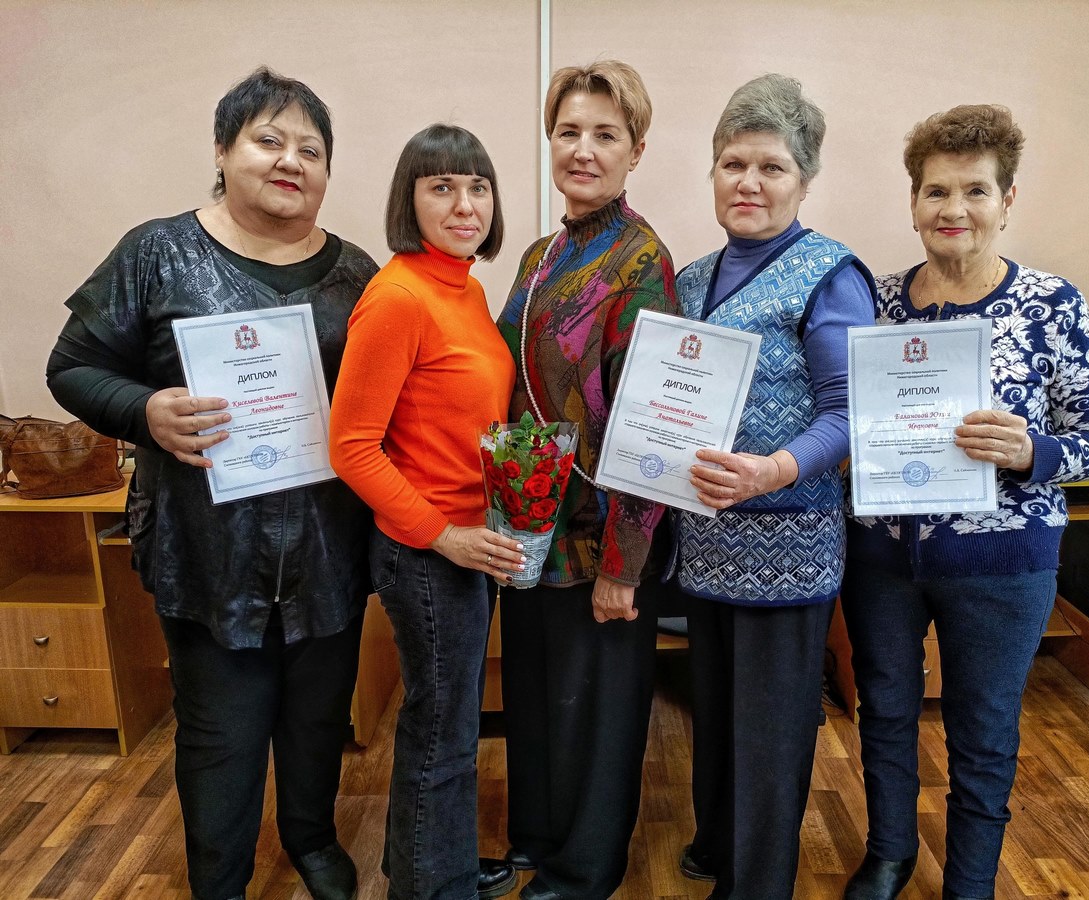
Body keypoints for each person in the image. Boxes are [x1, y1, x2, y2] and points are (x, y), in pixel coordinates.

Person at [45, 68, 377, 900]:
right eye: (269, 140)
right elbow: (72, 366)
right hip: (206, 552)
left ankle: (311, 838)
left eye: (311, 149)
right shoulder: (157, 252)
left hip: (329, 549)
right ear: (224, 150)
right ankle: (219, 879)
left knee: (316, 718)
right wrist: (144, 409)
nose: (290, 160)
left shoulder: (356, 273)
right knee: (219, 734)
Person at [841, 104, 1089, 900]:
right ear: (913, 203)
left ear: (1007, 201)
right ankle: (890, 854)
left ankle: (970, 883)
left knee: (984, 729)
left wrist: (1035, 453)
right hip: (883, 557)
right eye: (936, 191)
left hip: (1003, 562)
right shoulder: (876, 305)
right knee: (885, 710)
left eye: (974, 191)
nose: (953, 209)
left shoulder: (1051, 304)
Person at [670, 74, 875, 899]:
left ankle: (755, 883)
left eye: (771, 167)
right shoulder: (691, 279)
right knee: (716, 712)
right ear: (713, 172)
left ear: (804, 179)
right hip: (708, 544)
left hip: (787, 548)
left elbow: (850, 413)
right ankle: (718, 844)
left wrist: (773, 470)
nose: (748, 183)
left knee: (769, 731)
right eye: (733, 164)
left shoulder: (831, 275)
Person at [495, 60, 678, 900]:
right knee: (538, 701)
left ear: (635, 151)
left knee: (596, 714)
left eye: (605, 134)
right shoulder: (541, 255)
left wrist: (622, 566)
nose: (583, 149)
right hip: (531, 526)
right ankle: (538, 839)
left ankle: (584, 870)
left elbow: (651, 427)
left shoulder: (642, 260)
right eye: (569, 131)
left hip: (602, 532)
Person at [328, 124, 519, 900]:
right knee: (443, 734)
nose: (465, 204)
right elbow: (351, 448)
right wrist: (445, 537)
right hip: (428, 553)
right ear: (409, 202)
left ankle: (433, 865)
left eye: (478, 186)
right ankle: (432, 887)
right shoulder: (398, 297)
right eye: (441, 187)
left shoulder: (464, 288)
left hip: (469, 543)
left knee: (450, 726)